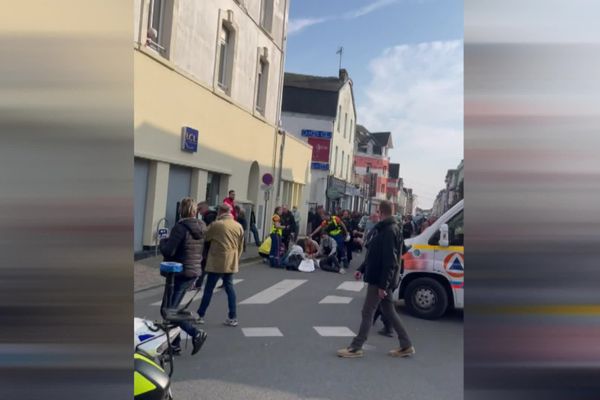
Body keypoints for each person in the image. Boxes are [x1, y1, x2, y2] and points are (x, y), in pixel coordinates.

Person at [337, 200, 414, 359]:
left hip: (379, 280)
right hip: (382, 279)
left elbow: (389, 261)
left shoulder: (388, 230)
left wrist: (383, 286)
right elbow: (377, 255)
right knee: (389, 311)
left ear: (381, 212)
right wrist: (361, 269)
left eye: (377, 212)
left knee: (368, 311)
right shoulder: (391, 228)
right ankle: (406, 345)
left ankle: (356, 347)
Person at [159, 197, 208, 355]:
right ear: (195, 211)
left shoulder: (180, 227)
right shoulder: (202, 226)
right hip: (193, 272)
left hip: (178, 273)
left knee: (169, 311)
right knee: (171, 309)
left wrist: (162, 242)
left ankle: (195, 333)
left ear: (182, 210)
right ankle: (175, 344)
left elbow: (169, 251)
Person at [196, 204, 244, 327]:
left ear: (220, 212)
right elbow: (240, 246)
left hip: (217, 260)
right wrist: (236, 259)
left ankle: (200, 315)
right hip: (231, 261)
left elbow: (205, 237)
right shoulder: (238, 226)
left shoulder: (217, 224)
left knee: (209, 289)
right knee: (230, 288)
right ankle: (233, 317)